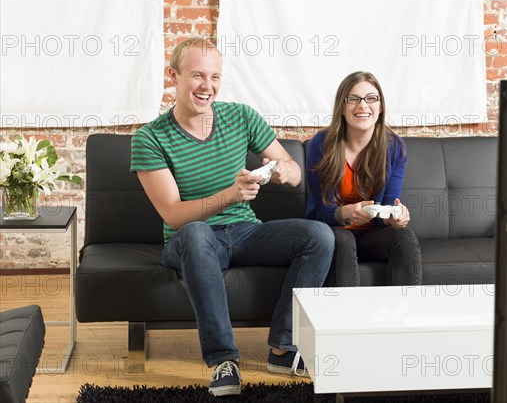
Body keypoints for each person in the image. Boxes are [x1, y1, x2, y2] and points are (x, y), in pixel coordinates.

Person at [130, 38, 334, 397]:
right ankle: (224, 359)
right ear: (173, 76)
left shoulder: (241, 117)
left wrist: (287, 170)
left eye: (214, 77)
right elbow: (174, 215)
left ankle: (283, 348)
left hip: (244, 232)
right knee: (195, 233)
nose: (207, 86)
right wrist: (230, 195)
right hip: (190, 241)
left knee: (319, 236)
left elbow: (291, 166)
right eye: (197, 75)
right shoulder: (149, 138)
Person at [305, 71, 422, 287]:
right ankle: (348, 319)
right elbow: (320, 212)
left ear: (380, 106)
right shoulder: (321, 144)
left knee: (404, 237)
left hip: (373, 235)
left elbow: (387, 206)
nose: (363, 105)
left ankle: (403, 316)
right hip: (334, 232)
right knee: (343, 239)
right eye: (353, 99)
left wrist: (393, 217)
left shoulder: (395, 147)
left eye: (371, 98)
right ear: (342, 107)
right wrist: (345, 213)